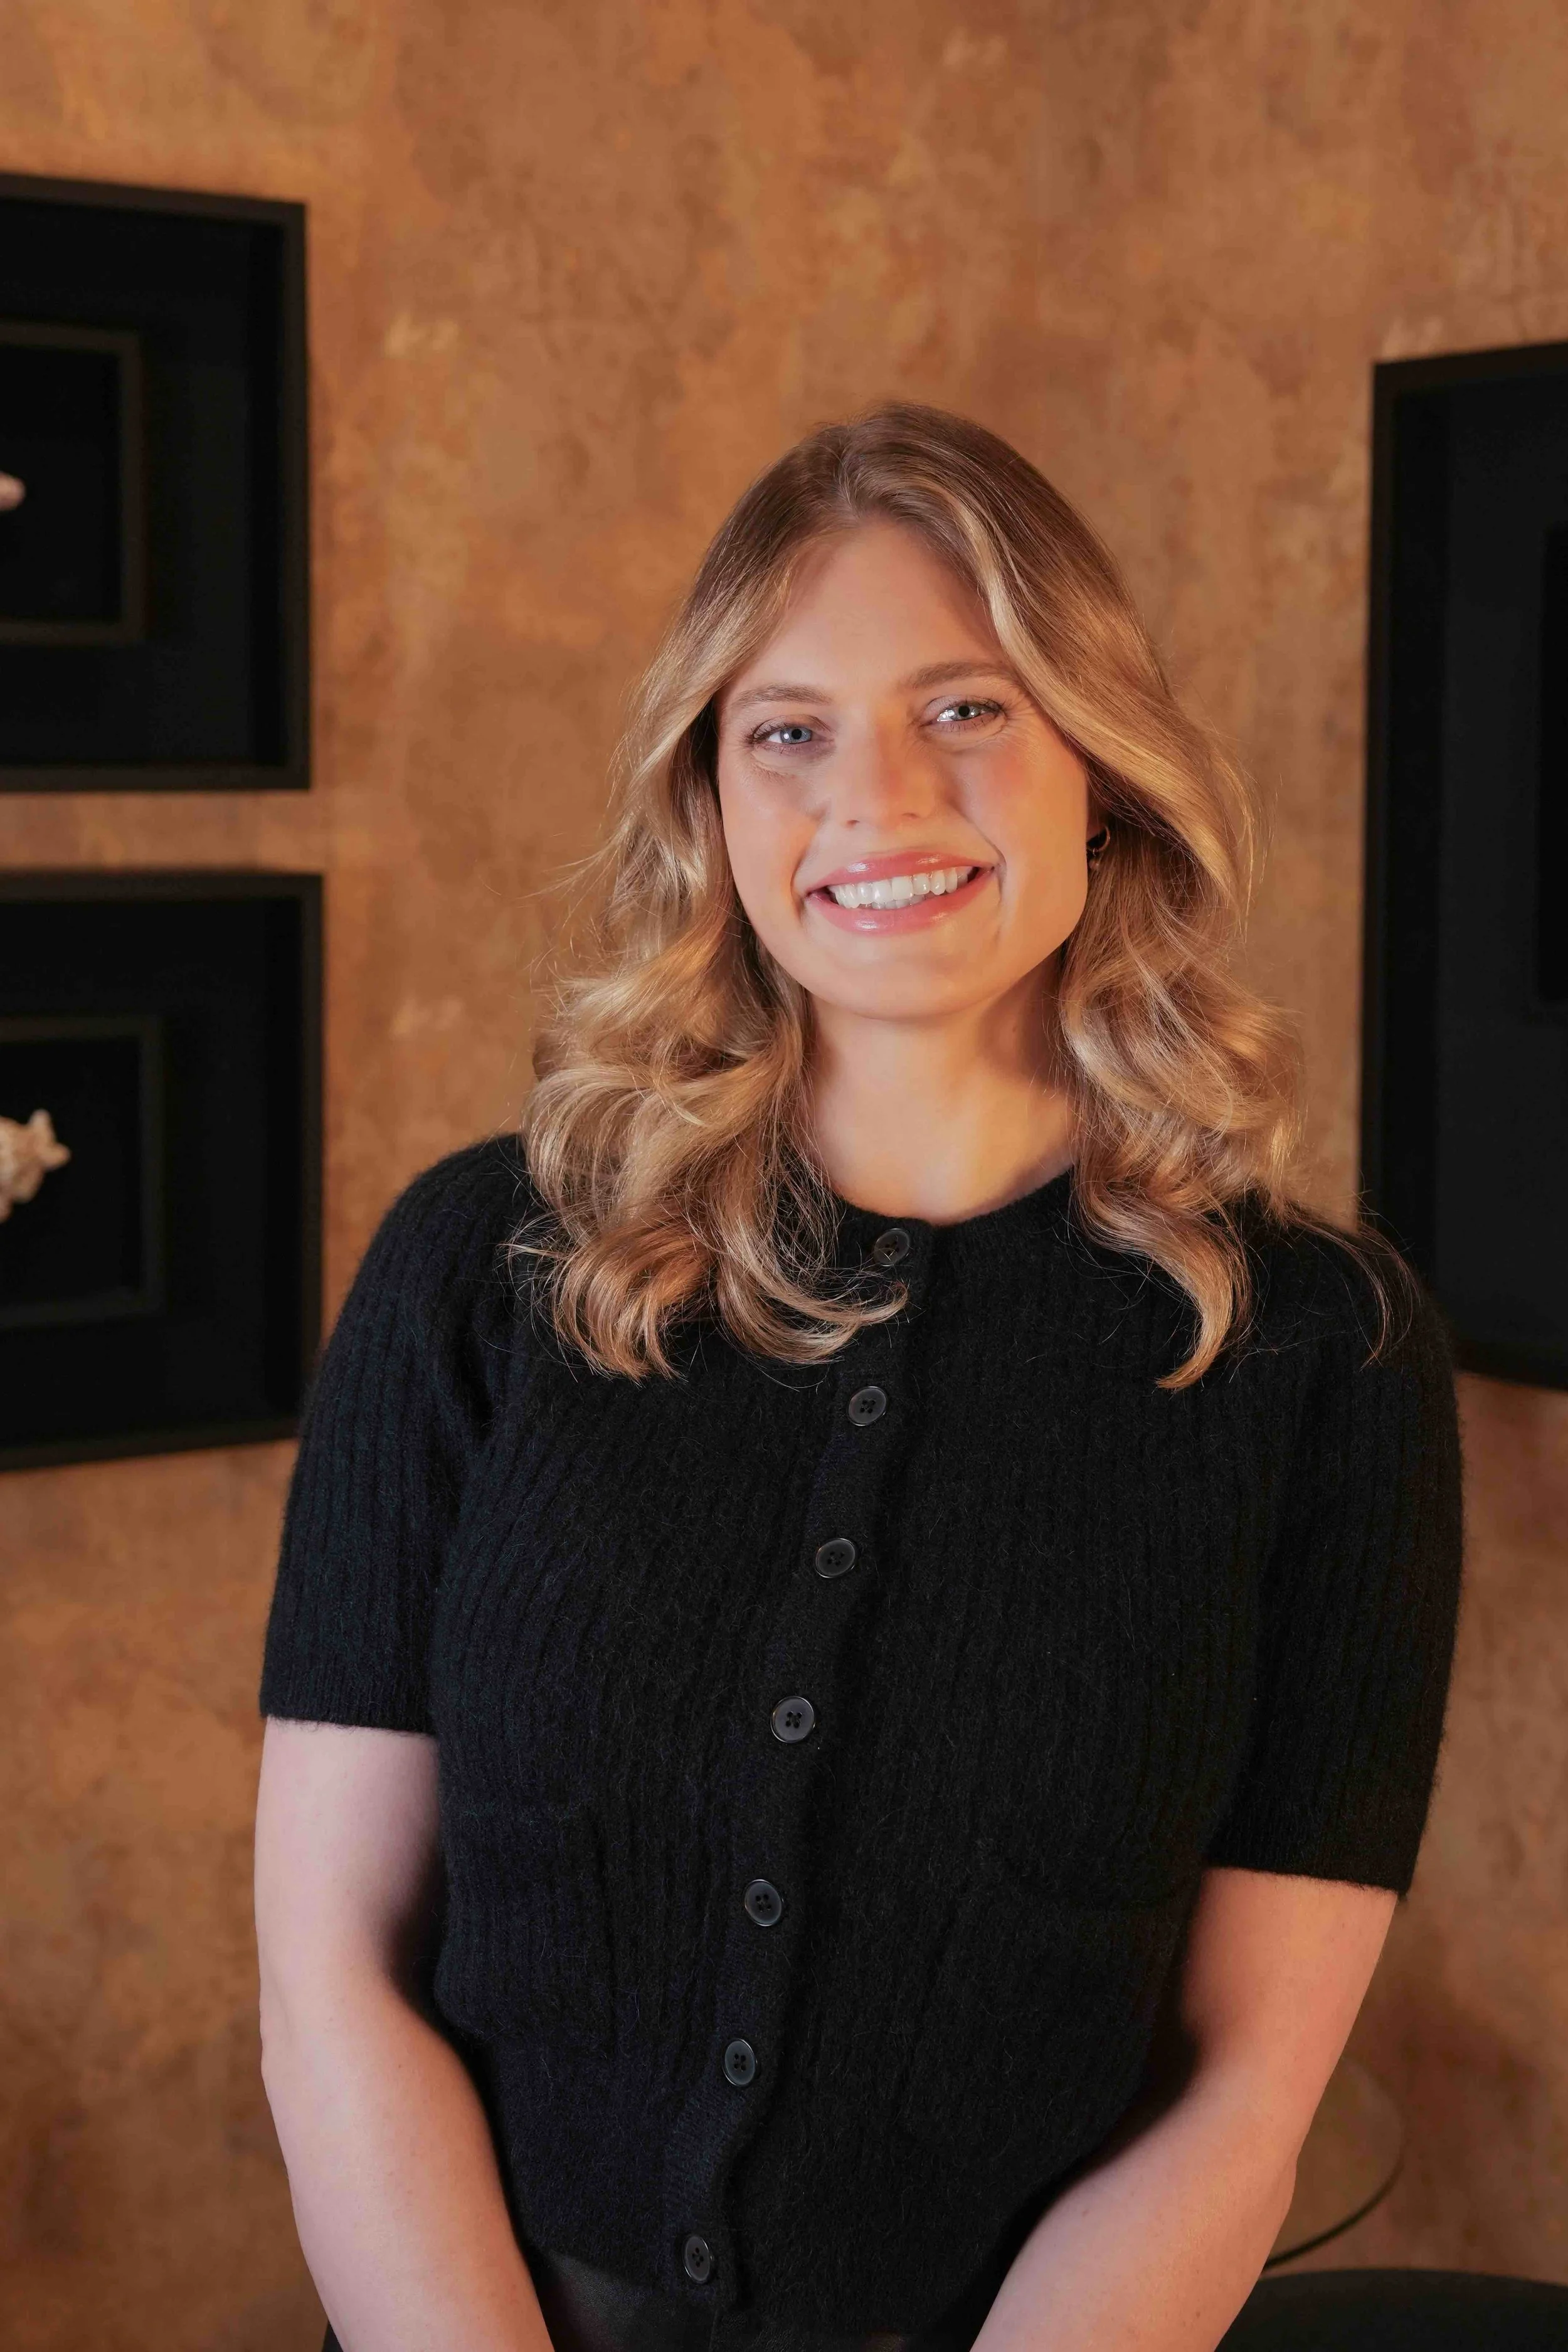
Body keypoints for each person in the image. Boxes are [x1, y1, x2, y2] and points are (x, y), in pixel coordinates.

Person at [254, 405, 1463, 2352]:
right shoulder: (483, 1269)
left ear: (1101, 762)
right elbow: (331, 1973)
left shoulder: (1322, 1348)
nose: (875, 799)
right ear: (710, 802)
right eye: (787, 729)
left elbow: (1248, 2082)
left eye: (969, 707)